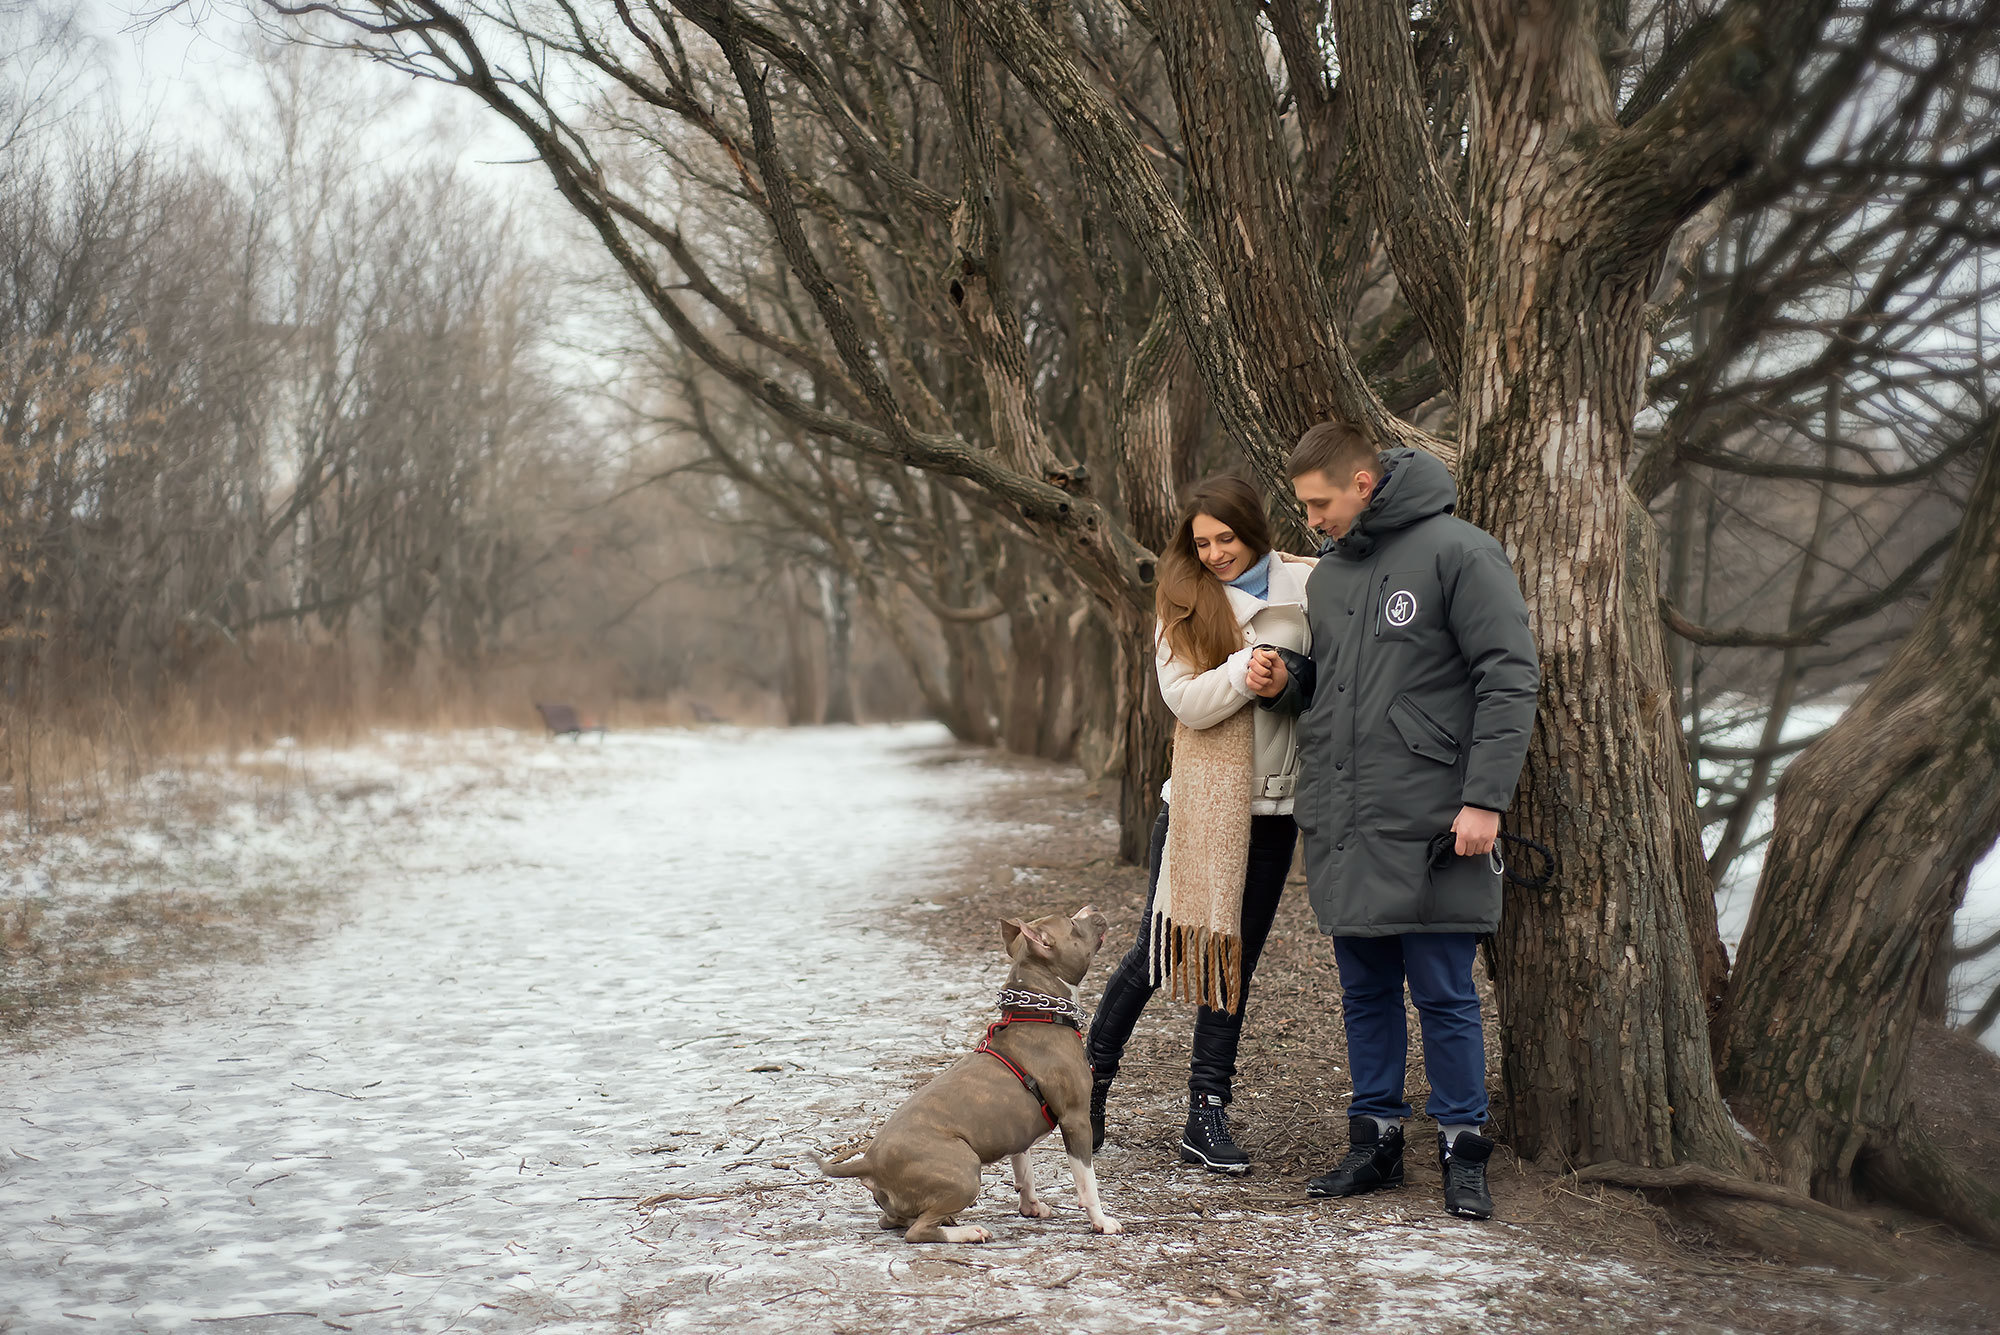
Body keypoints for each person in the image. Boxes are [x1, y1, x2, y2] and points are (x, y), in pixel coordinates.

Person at [1250, 419, 1538, 1220]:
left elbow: (1509, 676)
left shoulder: (1461, 551)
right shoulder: (1333, 576)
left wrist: (1485, 799)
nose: (1312, 520)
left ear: (1363, 483)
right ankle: (1374, 1141)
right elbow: (1343, 687)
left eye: (1320, 503)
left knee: (1444, 990)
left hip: (1436, 817)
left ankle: (1462, 1148)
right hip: (1347, 815)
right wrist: (1291, 682)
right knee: (1364, 988)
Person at [1087, 475, 1313, 1174]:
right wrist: (1245, 671)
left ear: (1254, 530)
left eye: (1227, 538)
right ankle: (1088, 1081)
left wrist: (1290, 677)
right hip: (1197, 807)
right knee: (1160, 953)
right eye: (1203, 542)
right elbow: (1184, 701)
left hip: (1274, 807)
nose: (1215, 553)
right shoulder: (1183, 599)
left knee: (1230, 962)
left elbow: (1332, 676)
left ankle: (1205, 1110)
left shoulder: (1308, 584)